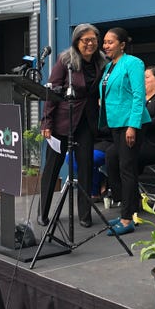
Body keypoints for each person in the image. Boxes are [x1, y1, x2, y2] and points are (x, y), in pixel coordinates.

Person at [38, 23, 106, 228]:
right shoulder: (65, 60)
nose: (90, 44)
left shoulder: (101, 61)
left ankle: (84, 214)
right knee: (52, 167)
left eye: (94, 39)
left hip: (86, 122)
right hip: (62, 121)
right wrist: (47, 122)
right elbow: (52, 92)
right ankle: (43, 213)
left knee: (85, 167)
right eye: (86, 40)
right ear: (77, 41)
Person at [100, 27, 151, 236]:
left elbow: (139, 95)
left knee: (127, 169)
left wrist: (133, 125)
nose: (105, 45)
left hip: (130, 123)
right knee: (115, 162)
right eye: (104, 42)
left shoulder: (133, 63)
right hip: (116, 123)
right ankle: (129, 210)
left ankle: (127, 218)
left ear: (122, 44)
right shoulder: (109, 67)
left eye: (110, 42)